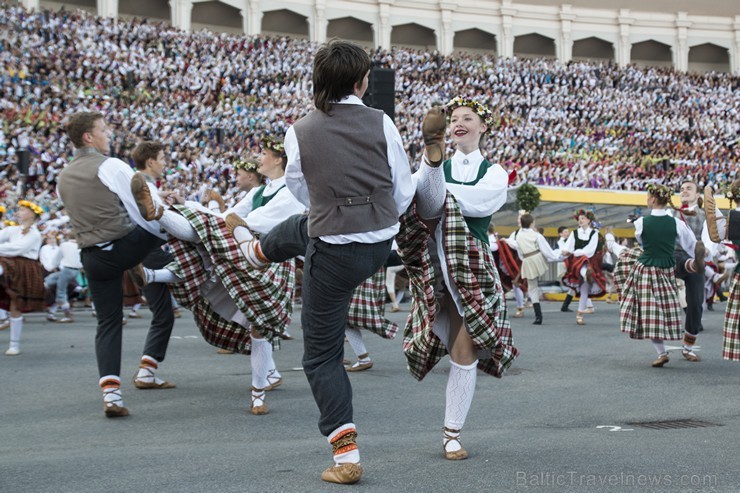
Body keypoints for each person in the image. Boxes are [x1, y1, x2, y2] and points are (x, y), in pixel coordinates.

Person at [232, 39, 414, 484]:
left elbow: (299, 190)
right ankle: (261, 251)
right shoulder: (382, 121)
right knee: (301, 229)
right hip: (376, 243)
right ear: (360, 81)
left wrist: (331, 204)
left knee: (320, 358)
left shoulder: (299, 130)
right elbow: (403, 189)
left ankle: (345, 455)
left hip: (332, 249)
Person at [136, 136, 304, 415]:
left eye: (263, 153)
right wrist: (199, 209)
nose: (259, 157)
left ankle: (259, 395)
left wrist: (216, 217)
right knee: (204, 257)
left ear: (278, 159)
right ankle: (162, 218)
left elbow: (257, 221)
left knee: (258, 325)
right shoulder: (259, 192)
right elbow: (231, 215)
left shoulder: (292, 191)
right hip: (248, 250)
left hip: (272, 258)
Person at [397, 96, 517, 463]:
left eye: (469, 118)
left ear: (484, 127)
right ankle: (452, 434)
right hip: (436, 267)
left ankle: (452, 433)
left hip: (470, 265)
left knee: (463, 350)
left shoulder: (495, 172)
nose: (460, 122)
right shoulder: (464, 169)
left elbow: (479, 203)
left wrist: (432, 181)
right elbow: (411, 200)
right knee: (454, 346)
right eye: (454, 119)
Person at [57, 113, 177, 418]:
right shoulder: (110, 165)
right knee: (163, 226)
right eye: (103, 130)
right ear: (89, 137)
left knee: (108, 323)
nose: (108, 134)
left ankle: (111, 395)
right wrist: (161, 223)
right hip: (122, 246)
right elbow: (138, 210)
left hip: (91, 256)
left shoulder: (63, 176)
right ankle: (150, 270)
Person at [615, 184, 697, 367]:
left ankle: (662, 352)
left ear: (652, 199)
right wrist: (697, 261)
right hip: (667, 269)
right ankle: (663, 352)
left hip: (645, 269)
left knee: (648, 312)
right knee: (664, 310)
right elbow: (690, 245)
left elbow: (643, 243)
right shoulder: (677, 223)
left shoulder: (641, 222)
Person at [0, 200, 44, 355]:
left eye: (22, 210)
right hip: (8, 263)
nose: (18, 213)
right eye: (18, 210)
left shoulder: (34, 234)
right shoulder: (12, 230)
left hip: (24, 267)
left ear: (32, 214)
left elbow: (17, 249)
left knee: (15, 304)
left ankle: (14, 344)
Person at [514, 213, 562, 324]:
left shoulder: (518, 235)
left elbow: (519, 251)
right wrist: (557, 257)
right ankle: (538, 315)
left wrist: (524, 259)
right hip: (536, 258)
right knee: (534, 286)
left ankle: (538, 316)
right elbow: (546, 251)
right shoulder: (537, 235)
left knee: (532, 287)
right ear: (532, 223)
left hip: (527, 260)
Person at [561, 210, 606, 325]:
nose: (580, 220)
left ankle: (579, 314)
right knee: (582, 263)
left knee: (584, 288)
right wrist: (566, 251)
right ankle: (585, 273)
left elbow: (590, 251)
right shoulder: (574, 233)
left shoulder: (594, 233)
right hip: (578, 262)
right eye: (579, 218)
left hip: (589, 260)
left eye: (583, 218)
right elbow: (568, 247)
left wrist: (576, 251)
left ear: (588, 220)